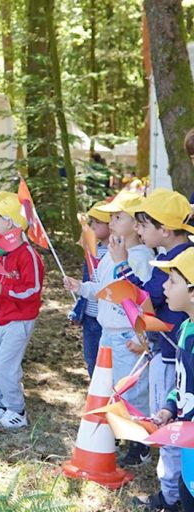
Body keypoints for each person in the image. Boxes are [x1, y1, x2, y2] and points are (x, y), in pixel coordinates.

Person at [64, 190, 155, 467]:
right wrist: (82, 288)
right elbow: (105, 288)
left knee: (132, 390)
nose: (112, 220)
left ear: (136, 224)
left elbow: (141, 297)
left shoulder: (140, 256)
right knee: (109, 386)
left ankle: (140, 444)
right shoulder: (111, 252)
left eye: (118, 216)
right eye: (111, 216)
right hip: (107, 330)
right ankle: (115, 431)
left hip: (128, 335)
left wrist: (142, 336)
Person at [123, 189, 194, 511]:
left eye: (143, 223)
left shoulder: (177, 261)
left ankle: (170, 498)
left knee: (171, 437)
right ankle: (172, 493)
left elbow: (146, 304)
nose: (138, 230)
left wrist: (121, 268)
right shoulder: (174, 258)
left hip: (171, 358)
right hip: (168, 355)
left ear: (164, 228)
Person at [0, 196, 44, 429]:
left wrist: (2, 289)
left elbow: (32, 289)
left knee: (6, 365)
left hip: (19, 319)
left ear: (11, 223)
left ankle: (17, 410)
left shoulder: (28, 255)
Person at [147, 247, 194, 512]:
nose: (164, 286)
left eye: (173, 280)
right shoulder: (185, 328)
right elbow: (182, 382)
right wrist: (169, 408)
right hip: (189, 448)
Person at [68, 201, 111, 377]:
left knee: (108, 363)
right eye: (90, 222)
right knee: (92, 360)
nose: (92, 226)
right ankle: (96, 394)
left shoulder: (118, 253)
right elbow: (88, 281)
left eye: (97, 222)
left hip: (107, 317)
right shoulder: (93, 250)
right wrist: (79, 311)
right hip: (91, 316)